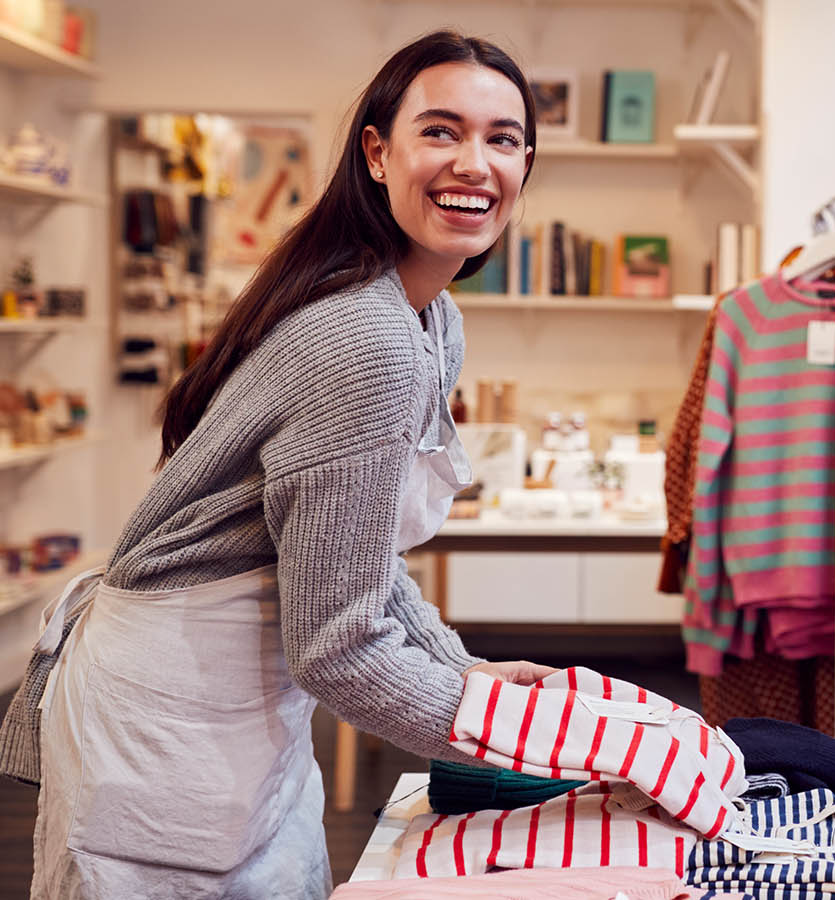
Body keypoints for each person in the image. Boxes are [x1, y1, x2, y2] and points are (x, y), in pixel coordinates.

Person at [0, 31, 551, 898]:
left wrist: (462, 671)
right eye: (440, 131)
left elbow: (358, 562)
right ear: (377, 152)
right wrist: (507, 733)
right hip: (168, 710)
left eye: (503, 138)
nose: (474, 163)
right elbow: (338, 652)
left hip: (239, 701)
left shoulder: (426, 319)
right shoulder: (365, 338)